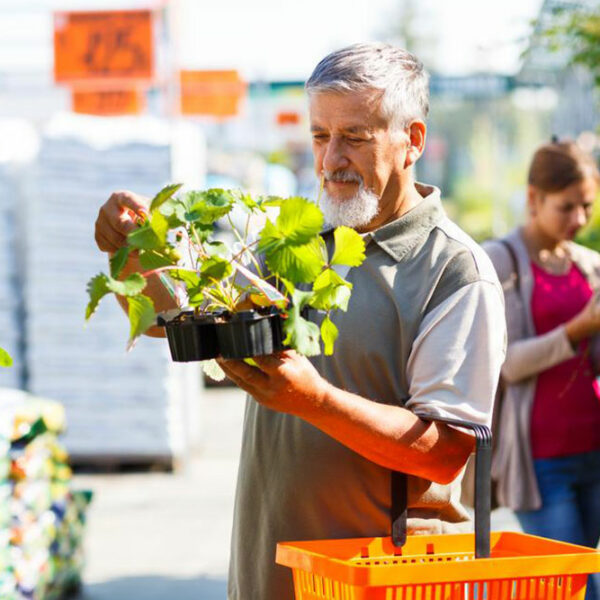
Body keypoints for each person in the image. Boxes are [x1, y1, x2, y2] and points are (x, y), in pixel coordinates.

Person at [94, 43, 506, 600]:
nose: (331, 158)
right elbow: (169, 317)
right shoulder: (297, 243)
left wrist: (314, 399)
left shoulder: (452, 271)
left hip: (382, 583)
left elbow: (446, 450)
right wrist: (134, 252)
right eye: (320, 136)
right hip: (270, 576)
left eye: (354, 137)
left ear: (412, 141)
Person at [484, 140, 600, 600]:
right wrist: (577, 329)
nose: (579, 220)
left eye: (587, 206)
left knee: (580, 583)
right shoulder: (500, 261)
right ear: (533, 198)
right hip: (541, 461)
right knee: (570, 588)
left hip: (594, 448)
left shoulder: (588, 265)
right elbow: (507, 365)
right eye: (566, 207)